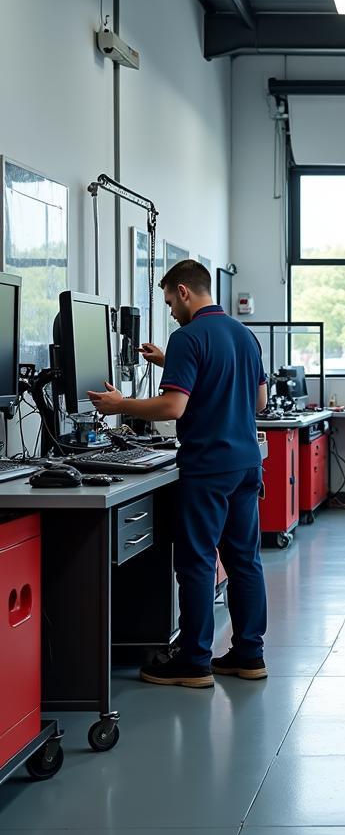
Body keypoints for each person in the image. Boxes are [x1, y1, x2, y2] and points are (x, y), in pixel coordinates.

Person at [87, 259, 270, 688]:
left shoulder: (188, 337)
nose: (170, 310)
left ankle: (193, 662)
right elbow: (259, 402)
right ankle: (249, 654)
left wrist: (120, 406)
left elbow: (172, 408)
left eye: (169, 301)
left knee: (197, 562)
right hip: (247, 464)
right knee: (244, 560)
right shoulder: (244, 336)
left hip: (209, 468)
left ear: (184, 291)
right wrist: (173, 362)